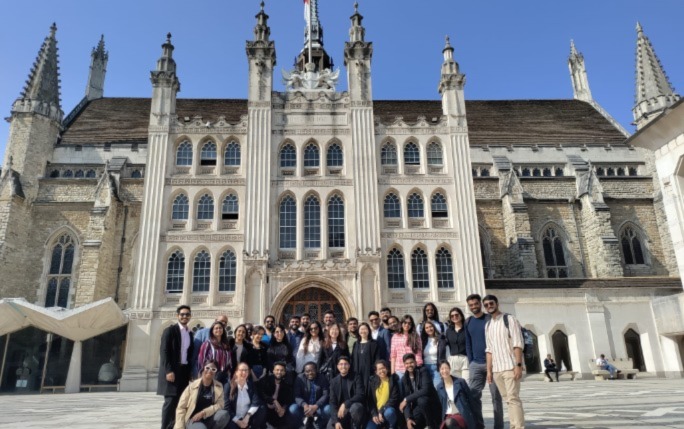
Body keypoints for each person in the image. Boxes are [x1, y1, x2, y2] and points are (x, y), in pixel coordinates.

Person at [484, 294, 525, 429]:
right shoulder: (488, 325)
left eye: (491, 303)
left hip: (510, 366)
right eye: (486, 305)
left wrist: (518, 365)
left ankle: (518, 427)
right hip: (497, 370)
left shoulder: (509, 319)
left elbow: (517, 344)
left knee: (513, 398)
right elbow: (489, 350)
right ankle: (513, 425)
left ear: (497, 304)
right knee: (508, 400)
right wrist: (489, 371)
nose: (489, 306)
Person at [465, 294, 503, 429]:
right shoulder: (468, 322)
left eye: (476, 304)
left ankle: (498, 426)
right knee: (474, 396)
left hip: (493, 364)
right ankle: (479, 425)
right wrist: (471, 361)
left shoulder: (490, 319)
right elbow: (468, 343)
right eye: (471, 305)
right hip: (476, 364)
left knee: (496, 397)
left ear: (480, 304)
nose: (474, 306)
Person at [159, 305, 194, 429]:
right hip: (172, 371)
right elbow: (164, 352)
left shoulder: (190, 333)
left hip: (183, 371)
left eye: (187, 314)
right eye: (182, 314)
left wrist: (190, 373)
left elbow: (188, 354)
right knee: (170, 402)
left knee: (180, 402)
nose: (185, 316)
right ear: (177, 316)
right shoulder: (170, 331)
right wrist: (168, 370)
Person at [174, 359, 229, 429]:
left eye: (213, 369)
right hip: (193, 420)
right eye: (207, 368)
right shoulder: (192, 386)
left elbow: (220, 405)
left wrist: (204, 413)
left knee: (224, 414)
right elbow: (181, 408)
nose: (210, 371)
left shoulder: (219, 386)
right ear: (203, 368)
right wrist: (180, 427)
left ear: (216, 372)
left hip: (209, 418)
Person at [399, 354, 441, 429]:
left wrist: (406, 399)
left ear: (415, 362)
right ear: (404, 365)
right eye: (407, 363)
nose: (409, 365)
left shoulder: (423, 371)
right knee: (410, 426)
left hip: (430, 406)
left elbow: (425, 390)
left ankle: (430, 426)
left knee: (421, 400)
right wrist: (408, 418)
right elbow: (406, 402)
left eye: (411, 362)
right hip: (418, 408)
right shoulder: (404, 379)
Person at [435, 360, 476, 429]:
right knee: (446, 424)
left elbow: (471, 400)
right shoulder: (439, 387)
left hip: (460, 414)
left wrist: (475, 420)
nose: (444, 371)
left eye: (446, 368)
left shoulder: (460, 382)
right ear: (439, 371)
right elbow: (440, 406)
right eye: (442, 369)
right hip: (447, 415)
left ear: (450, 369)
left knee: (449, 423)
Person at [224, 362, 266, 429]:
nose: (244, 372)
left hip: (246, 418)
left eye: (246, 370)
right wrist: (238, 422)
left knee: (262, 408)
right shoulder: (228, 386)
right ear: (236, 372)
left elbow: (255, 402)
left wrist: (247, 417)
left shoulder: (251, 385)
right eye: (241, 370)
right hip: (233, 418)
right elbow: (226, 407)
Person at [328, 356, 365, 429]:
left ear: (349, 365)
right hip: (341, 412)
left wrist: (345, 403)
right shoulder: (333, 381)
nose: (343, 366)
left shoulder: (356, 377)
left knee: (356, 407)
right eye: (341, 364)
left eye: (345, 364)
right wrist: (336, 421)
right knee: (330, 427)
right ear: (337, 366)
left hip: (354, 409)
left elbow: (360, 395)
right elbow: (332, 402)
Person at [292, 362, 332, 429]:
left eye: (312, 370)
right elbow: (297, 395)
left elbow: (326, 394)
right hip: (304, 408)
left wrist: (316, 406)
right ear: (304, 371)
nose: (310, 373)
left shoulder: (322, 378)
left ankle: (319, 423)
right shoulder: (299, 378)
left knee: (328, 409)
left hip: (318, 407)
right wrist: (304, 405)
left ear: (316, 370)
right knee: (293, 409)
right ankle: (303, 422)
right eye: (307, 371)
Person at [258, 361, 297, 428]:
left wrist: (283, 409)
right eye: (277, 370)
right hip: (266, 407)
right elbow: (262, 395)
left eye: (282, 370)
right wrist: (274, 401)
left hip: (277, 410)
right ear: (273, 371)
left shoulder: (286, 385)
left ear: (284, 372)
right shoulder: (265, 381)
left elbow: (288, 399)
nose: (279, 372)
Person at [365, 360, 400, 429]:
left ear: (387, 368)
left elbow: (393, 399)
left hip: (386, 411)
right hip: (376, 414)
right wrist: (374, 414)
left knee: (389, 412)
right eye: (379, 369)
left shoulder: (392, 381)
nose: (381, 371)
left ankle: (391, 426)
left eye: (383, 368)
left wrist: (381, 411)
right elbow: (370, 401)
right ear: (376, 372)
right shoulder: (372, 382)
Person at [197, 321, 233, 385]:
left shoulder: (226, 345)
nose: (218, 330)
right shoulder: (207, 343)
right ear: (212, 331)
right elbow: (201, 359)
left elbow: (229, 360)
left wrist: (229, 373)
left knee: (225, 393)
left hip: (224, 375)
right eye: (216, 328)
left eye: (220, 328)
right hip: (212, 374)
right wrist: (202, 374)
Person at [389, 315, 422, 381]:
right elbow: (393, 355)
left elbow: (418, 354)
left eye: (409, 323)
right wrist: (393, 372)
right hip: (399, 369)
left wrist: (416, 367)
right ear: (401, 323)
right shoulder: (395, 336)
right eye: (405, 323)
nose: (407, 325)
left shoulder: (416, 336)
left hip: (412, 369)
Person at [351, 322, 380, 390]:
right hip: (357, 372)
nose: (363, 331)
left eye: (365, 329)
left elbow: (377, 359)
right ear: (358, 331)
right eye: (361, 329)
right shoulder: (356, 344)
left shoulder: (374, 343)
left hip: (369, 372)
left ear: (368, 331)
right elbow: (352, 358)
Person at [420, 319, 447, 386]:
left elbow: (444, 353)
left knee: (437, 387)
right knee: (427, 389)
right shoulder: (422, 340)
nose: (429, 329)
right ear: (424, 330)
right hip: (425, 367)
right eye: (427, 328)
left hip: (436, 367)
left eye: (431, 326)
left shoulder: (441, 338)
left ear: (434, 327)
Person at [445, 307, 469, 379]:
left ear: (461, 315)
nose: (454, 317)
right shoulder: (449, 331)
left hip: (465, 359)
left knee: (466, 384)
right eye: (452, 316)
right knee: (456, 385)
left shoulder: (467, 329)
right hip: (453, 360)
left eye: (456, 315)